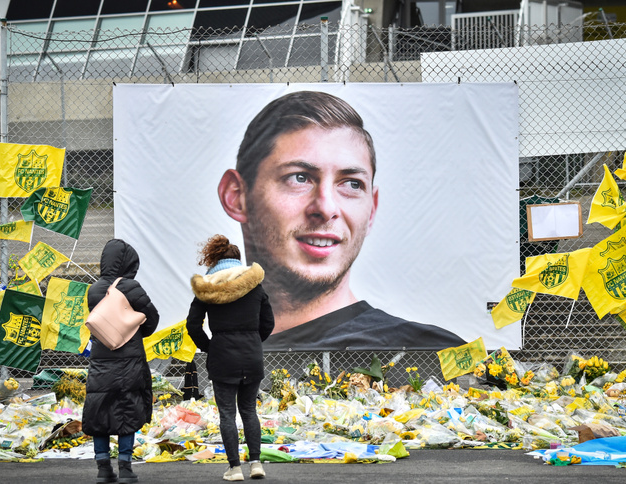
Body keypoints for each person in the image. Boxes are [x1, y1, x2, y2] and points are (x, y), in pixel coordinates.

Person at [218, 90, 465, 351]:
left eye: (351, 184)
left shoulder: (434, 357)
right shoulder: (195, 353)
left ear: (371, 211)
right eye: (299, 178)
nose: (326, 208)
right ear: (236, 197)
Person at [186, 235, 274, 481]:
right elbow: (269, 322)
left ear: (214, 260)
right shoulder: (255, 287)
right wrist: (254, 341)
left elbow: (193, 324)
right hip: (251, 354)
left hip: (222, 355)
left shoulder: (207, 289)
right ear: (238, 261)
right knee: (249, 410)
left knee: (227, 413)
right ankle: (256, 463)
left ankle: (234, 468)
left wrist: (209, 347)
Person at [82, 239, 159, 484]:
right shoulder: (130, 286)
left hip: (101, 359)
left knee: (100, 408)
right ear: (128, 263)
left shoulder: (93, 289)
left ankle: (103, 467)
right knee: (128, 406)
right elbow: (152, 317)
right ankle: (125, 467)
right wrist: (134, 331)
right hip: (129, 360)